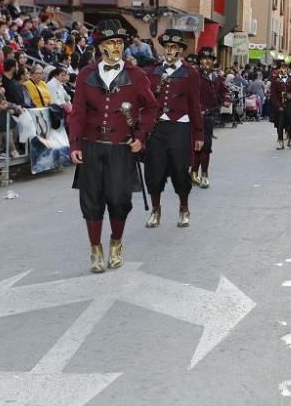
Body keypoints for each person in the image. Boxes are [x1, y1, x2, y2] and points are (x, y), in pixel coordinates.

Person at [67, 21, 158, 273]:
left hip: (121, 147)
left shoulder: (136, 75)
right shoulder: (86, 74)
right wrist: (75, 143)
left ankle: (116, 242)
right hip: (91, 146)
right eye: (110, 43)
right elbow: (78, 112)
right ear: (100, 47)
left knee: (119, 200)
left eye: (119, 43)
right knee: (91, 201)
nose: (116, 47)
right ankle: (95, 249)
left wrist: (141, 135)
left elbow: (151, 107)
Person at [144, 29, 203, 229]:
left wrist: (198, 133)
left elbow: (195, 104)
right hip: (157, 126)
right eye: (167, 47)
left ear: (180, 50)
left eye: (174, 47)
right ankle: (155, 209)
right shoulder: (151, 72)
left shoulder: (190, 73)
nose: (170, 51)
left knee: (180, 170)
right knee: (154, 170)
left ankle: (184, 207)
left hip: (181, 126)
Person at [191, 46, 226, 188]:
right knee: (196, 147)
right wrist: (198, 108)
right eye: (204, 58)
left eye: (210, 59)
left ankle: (204, 173)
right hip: (196, 116)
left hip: (210, 117)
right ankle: (194, 173)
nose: (207, 61)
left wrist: (226, 98)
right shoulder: (194, 76)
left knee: (206, 147)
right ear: (200, 60)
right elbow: (190, 95)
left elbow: (224, 91)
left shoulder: (216, 77)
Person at [269, 60, 291, 150]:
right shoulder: (275, 79)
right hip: (279, 103)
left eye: (285, 67)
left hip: (290, 103)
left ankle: (290, 140)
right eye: (282, 68)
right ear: (278, 69)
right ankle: (280, 141)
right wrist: (278, 105)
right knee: (280, 123)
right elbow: (272, 94)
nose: (284, 69)